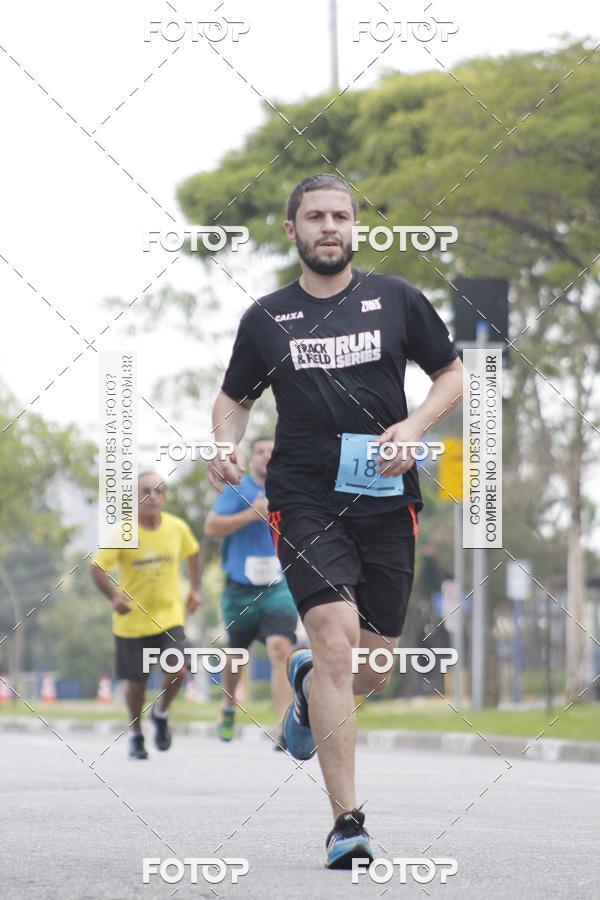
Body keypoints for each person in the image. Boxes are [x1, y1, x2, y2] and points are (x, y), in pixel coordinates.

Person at [207, 173, 463, 868]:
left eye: (340, 216)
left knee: (372, 667)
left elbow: (453, 374)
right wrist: (226, 444)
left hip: (385, 496)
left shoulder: (397, 300)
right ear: (292, 230)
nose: (329, 226)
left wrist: (413, 425)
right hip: (305, 494)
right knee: (332, 640)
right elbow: (234, 399)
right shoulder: (267, 317)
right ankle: (347, 821)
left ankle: (303, 691)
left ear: (355, 228)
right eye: (315, 216)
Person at [91, 472, 202, 759]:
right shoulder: (123, 533)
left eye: (158, 491)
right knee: (136, 686)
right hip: (132, 624)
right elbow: (97, 568)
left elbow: (193, 554)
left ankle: (161, 713)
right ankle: (137, 734)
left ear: (164, 498)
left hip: (169, 618)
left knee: (178, 670)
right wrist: (114, 597)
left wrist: (196, 590)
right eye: (145, 491)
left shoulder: (178, 528)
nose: (151, 496)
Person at [204, 436, 297, 748]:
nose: (266, 457)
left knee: (280, 650)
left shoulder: (290, 488)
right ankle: (228, 706)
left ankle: (284, 724)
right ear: (252, 458)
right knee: (236, 656)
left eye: (272, 452)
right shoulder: (238, 489)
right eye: (260, 452)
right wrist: (253, 513)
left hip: (277, 585)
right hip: (239, 588)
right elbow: (211, 528)